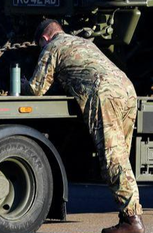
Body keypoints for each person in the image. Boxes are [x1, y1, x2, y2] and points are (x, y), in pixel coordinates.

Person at [25, 19, 144, 233]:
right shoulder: (83, 42)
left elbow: (36, 89)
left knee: (113, 157)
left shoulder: (52, 47)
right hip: (126, 89)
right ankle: (127, 216)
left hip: (104, 93)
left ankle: (132, 221)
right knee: (121, 157)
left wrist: (22, 85)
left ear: (44, 38)